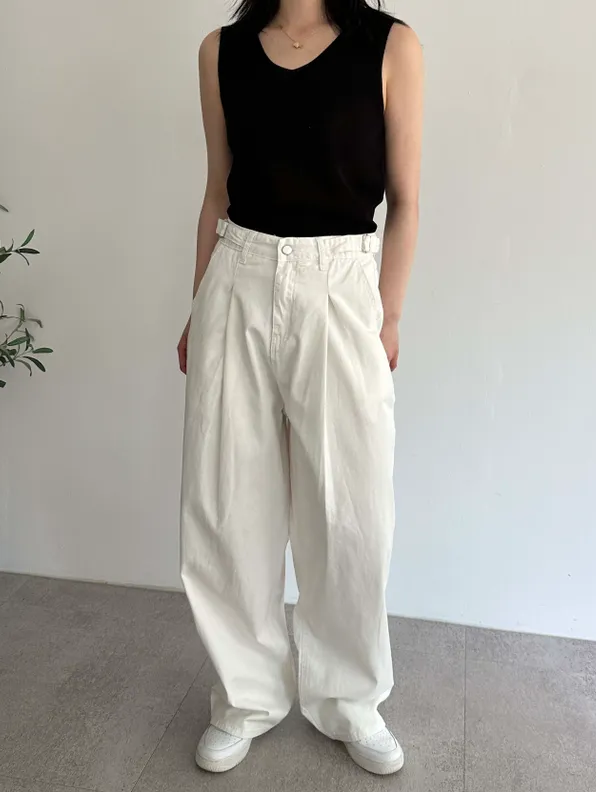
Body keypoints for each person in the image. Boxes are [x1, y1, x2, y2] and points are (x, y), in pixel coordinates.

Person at [177, 0, 423, 776]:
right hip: (238, 277)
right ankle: (244, 698)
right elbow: (217, 193)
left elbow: (407, 198)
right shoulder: (220, 51)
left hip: (341, 286)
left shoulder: (390, 45)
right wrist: (197, 306)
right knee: (227, 502)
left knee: (352, 510)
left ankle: (350, 699)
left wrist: (388, 315)